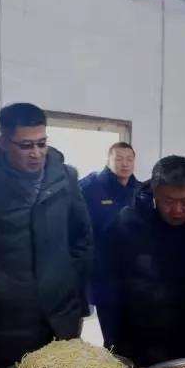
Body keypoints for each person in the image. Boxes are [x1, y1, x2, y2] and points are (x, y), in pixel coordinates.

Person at [0, 103, 93, 368]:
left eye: (41, 143)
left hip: (61, 316)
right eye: (25, 146)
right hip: (8, 321)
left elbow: (82, 238)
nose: (36, 153)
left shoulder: (65, 177)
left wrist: (71, 284)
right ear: (3, 142)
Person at [104, 155, 185, 366]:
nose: (177, 210)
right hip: (135, 341)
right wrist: (112, 341)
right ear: (154, 193)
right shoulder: (127, 226)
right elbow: (107, 286)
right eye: (168, 201)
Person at [79, 141, 140, 347]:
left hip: (136, 275)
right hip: (104, 274)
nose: (125, 164)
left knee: (136, 333)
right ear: (108, 160)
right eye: (119, 159)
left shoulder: (140, 190)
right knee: (113, 336)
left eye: (129, 159)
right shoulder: (90, 187)